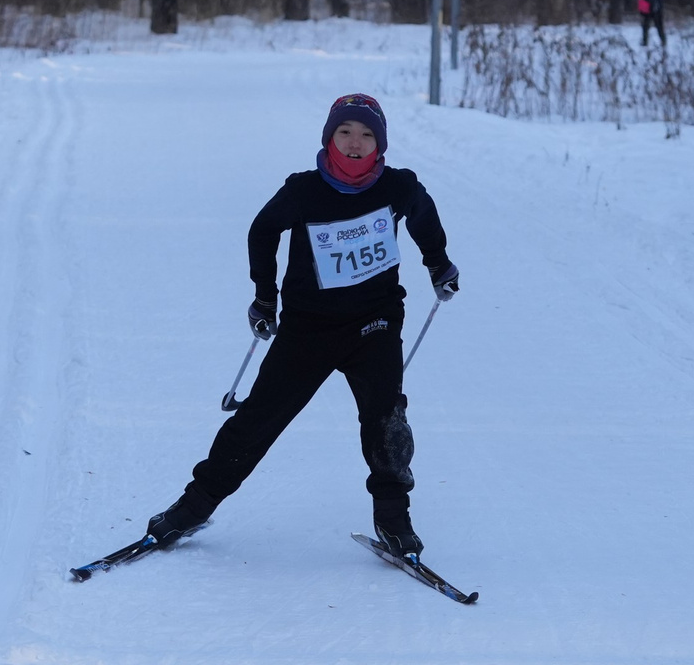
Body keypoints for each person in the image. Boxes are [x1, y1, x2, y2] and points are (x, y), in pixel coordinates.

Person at [145, 94, 461, 559]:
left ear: (381, 143)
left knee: (386, 418)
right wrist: (263, 295)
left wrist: (439, 265)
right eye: (345, 132)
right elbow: (262, 230)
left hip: (375, 323)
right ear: (329, 138)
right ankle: (194, 507)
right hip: (308, 328)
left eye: (367, 135)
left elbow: (424, 217)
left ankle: (394, 521)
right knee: (258, 420)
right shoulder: (304, 190)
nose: (356, 144)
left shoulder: (398, 186)